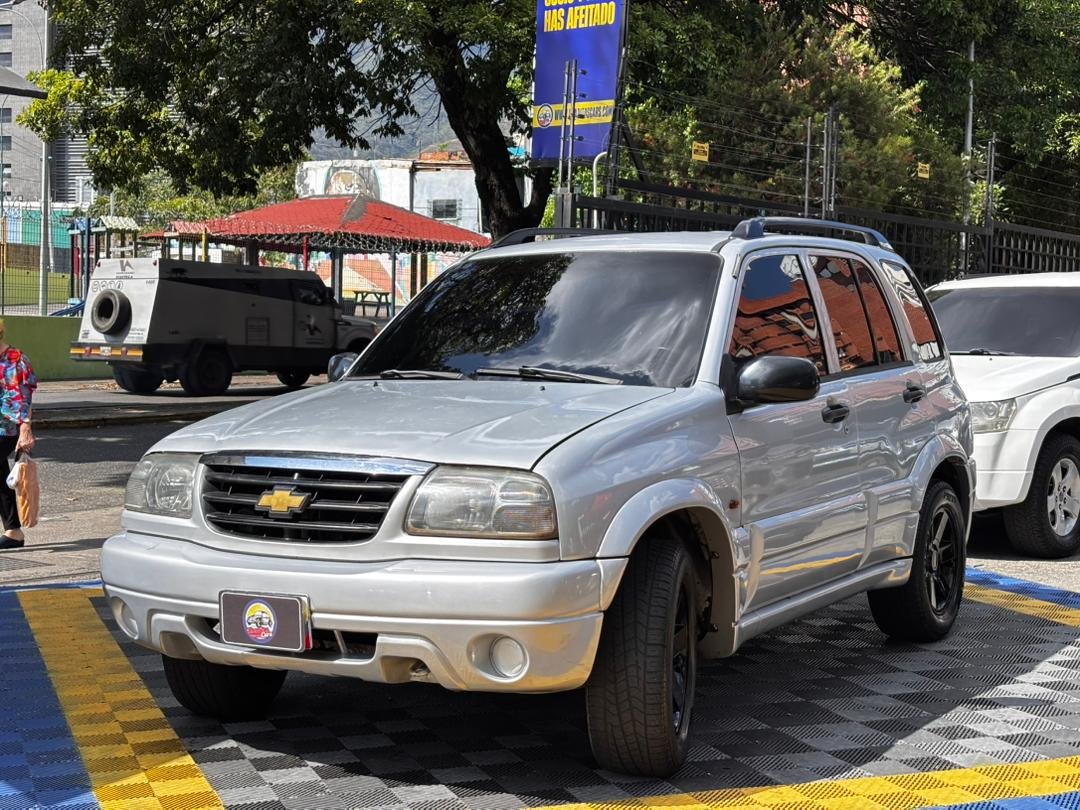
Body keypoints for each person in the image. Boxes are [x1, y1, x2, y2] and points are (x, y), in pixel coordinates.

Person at [0, 319, 36, 549]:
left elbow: (25, 398)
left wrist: (26, 428)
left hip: (8, 427)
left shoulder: (17, 360)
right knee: (1, 477)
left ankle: (14, 530)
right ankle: (13, 531)